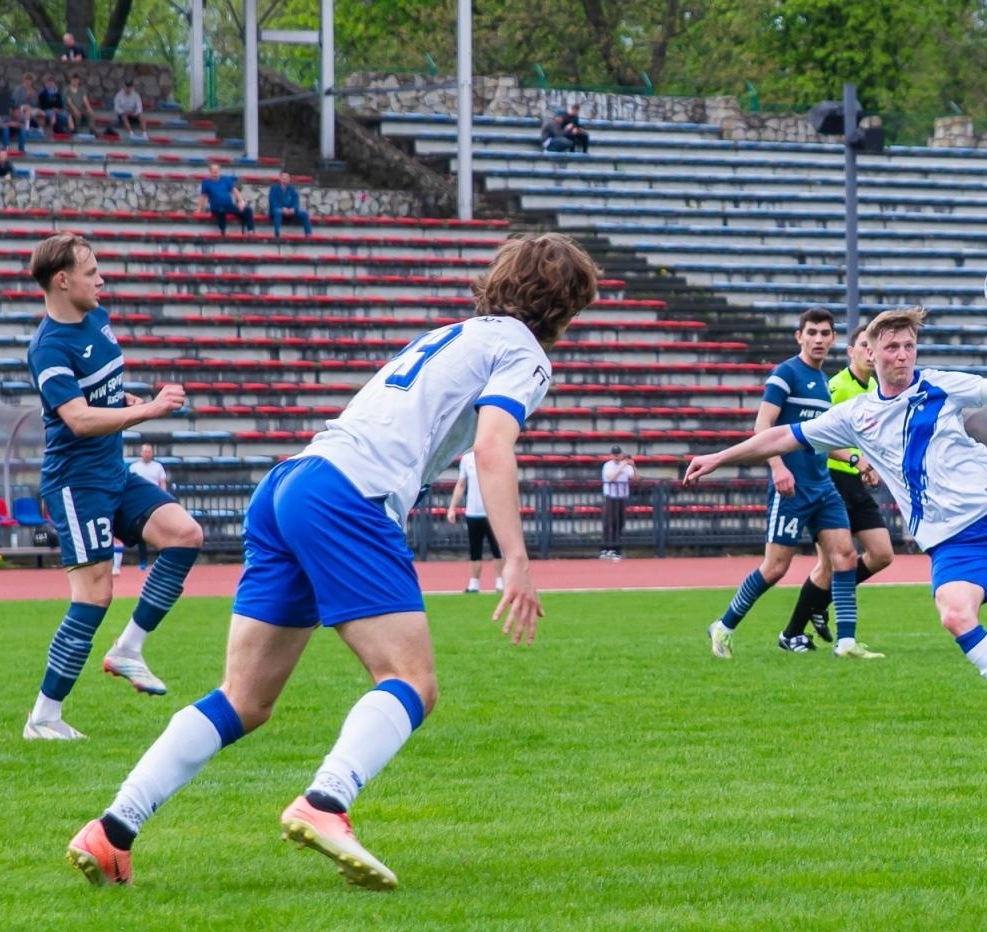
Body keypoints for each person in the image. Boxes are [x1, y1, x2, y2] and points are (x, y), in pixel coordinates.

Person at [64, 232, 602, 890]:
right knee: (411, 681)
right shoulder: (523, 351)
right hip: (350, 495)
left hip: (291, 482)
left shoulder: (455, 333)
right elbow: (492, 447)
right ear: (566, 308)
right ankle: (326, 802)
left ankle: (112, 829)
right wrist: (514, 558)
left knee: (244, 700)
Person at [687, 307, 987, 719]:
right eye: (892, 347)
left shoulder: (940, 385)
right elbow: (783, 436)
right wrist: (719, 457)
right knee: (955, 614)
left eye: (909, 346)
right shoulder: (855, 415)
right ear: (870, 354)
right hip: (951, 539)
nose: (902, 355)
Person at [22, 233, 205, 742]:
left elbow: (101, 393)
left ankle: (128, 649)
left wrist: (130, 400)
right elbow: (78, 419)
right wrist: (150, 411)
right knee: (95, 595)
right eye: (91, 272)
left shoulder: (98, 318)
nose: (101, 280)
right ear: (63, 280)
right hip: (76, 484)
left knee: (185, 535)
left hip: (113, 472)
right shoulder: (48, 348)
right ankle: (44, 717)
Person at [704, 308, 878, 661]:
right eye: (811, 332)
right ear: (799, 337)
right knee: (775, 567)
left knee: (845, 556)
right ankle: (723, 625)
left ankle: (846, 642)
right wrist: (777, 466)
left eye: (825, 333)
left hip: (822, 486)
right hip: (791, 488)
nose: (818, 339)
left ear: (833, 339)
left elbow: (821, 438)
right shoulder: (785, 374)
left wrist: (856, 460)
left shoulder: (823, 383)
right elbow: (762, 426)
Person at [778, 318, 893, 650]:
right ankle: (791, 633)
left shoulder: (875, 390)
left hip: (855, 481)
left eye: (874, 347)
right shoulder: (836, 387)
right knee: (830, 564)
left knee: (882, 553)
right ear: (851, 351)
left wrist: (870, 465)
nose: (870, 353)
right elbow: (817, 436)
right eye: (864, 346)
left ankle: (822, 602)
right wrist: (854, 458)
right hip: (830, 479)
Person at [445, 450, 502, 592]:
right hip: (473, 511)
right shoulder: (466, 459)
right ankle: (474, 583)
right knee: (475, 549)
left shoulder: (493, 455)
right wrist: (452, 507)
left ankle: (500, 581)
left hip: (492, 512)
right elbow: (461, 484)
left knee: (497, 549)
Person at [121, 443, 169, 572]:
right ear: (141, 453)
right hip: (140, 503)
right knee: (141, 533)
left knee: (160, 532)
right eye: (145, 451)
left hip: (155, 502)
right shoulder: (134, 467)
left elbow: (162, 483)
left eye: (149, 451)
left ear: (152, 453)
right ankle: (143, 561)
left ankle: (161, 561)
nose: (147, 454)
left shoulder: (157, 467)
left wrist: (164, 498)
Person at [599, 445, 636, 560]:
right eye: (614, 455)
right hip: (611, 497)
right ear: (611, 456)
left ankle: (616, 549)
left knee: (619, 523)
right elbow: (611, 478)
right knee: (609, 523)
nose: (616, 457)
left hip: (622, 497)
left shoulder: (626, 466)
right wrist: (621, 466)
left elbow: (635, 478)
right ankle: (606, 548)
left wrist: (633, 466)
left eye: (618, 455)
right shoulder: (608, 465)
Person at [199, 162, 255, 236]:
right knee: (221, 210)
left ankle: (250, 230)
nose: (215, 172)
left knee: (247, 210)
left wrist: (241, 202)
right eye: (213, 170)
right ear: (210, 172)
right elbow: (203, 197)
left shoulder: (226, 179)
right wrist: (200, 209)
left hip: (228, 205)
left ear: (219, 171)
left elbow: (235, 191)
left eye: (217, 170)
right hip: (216, 207)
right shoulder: (206, 182)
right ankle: (223, 231)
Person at [267, 172, 313, 239]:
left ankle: (308, 235)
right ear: (280, 179)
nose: (285, 180)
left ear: (289, 180)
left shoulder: (292, 189)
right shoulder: (274, 189)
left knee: (304, 213)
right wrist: (282, 208)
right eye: (283, 178)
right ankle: (277, 234)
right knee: (278, 211)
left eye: (287, 178)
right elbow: (273, 202)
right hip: (278, 211)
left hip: (290, 211)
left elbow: (296, 202)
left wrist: (293, 209)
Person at [63, 72, 96, 137]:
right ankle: (76, 129)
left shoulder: (81, 90)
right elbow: (69, 102)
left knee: (91, 114)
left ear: (78, 81)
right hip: (70, 109)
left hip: (80, 108)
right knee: (77, 114)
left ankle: (92, 130)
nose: (75, 81)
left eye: (76, 80)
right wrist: (75, 109)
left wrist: (89, 108)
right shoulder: (67, 89)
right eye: (73, 80)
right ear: (71, 80)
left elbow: (85, 100)